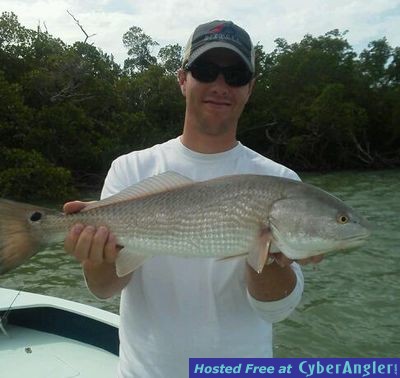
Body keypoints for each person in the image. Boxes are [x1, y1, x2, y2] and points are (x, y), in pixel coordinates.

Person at [64, 20, 322, 378]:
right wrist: (94, 258)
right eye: (205, 70)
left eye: (235, 74)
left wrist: (267, 253)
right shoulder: (131, 168)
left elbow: (275, 311)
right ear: (183, 79)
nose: (220, 85)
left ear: (250, 88)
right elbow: (105, 287)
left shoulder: (279, 181)